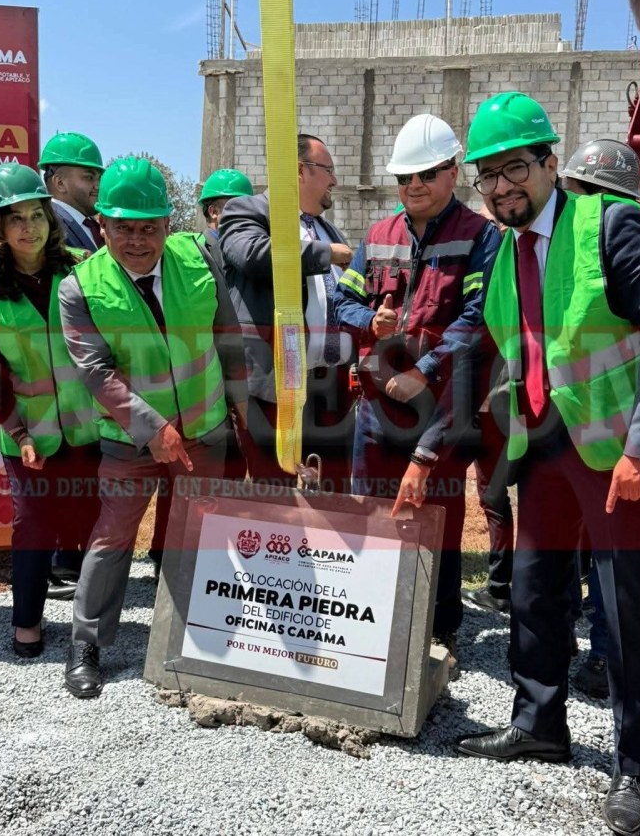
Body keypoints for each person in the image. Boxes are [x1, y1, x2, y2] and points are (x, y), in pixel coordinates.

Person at [455, 92, 640, 836]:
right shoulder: (505, 245)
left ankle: (634, 766)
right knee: (533, 587)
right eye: (485, 175)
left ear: (551, 162)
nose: (499, 187)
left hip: (617, 451)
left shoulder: (611, 223)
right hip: (546, 443)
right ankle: (540, 722)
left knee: (626, 605)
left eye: (514, 167)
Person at [58, 156, 248, 698]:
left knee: (201, 534)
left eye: (149, 227)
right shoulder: (80, 288)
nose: (137, 240)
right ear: (103, 226)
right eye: (124, 228)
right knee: (113, 537)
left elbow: (227, 336)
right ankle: (86, 644)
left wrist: (243, 412)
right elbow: (95, 371)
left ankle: (199, 635)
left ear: (169, 224)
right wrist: (153, 427)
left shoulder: (197, 256)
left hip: (206, 430)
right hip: (129, 442)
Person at [334, 113, 502, 676]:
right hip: (376, 408)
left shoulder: (481, 238)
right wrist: (372, 320)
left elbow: (478, 319)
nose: (414, 187)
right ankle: (373, 618)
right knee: (371, 513)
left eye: (427, 174)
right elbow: (343, 302)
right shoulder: (379, 236)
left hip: (440, 408)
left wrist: (424, 370)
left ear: (454, 172)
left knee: (438, 518)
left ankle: (440, 626)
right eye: (406, 178)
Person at [0, 163, 101, 658]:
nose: (29, 227)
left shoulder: (84, 270)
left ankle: (90, 632)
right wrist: (19, 431)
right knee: (35, 529)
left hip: (89, 431)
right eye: (15, 218)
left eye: (36, 214)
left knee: (92, 528)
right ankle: (27, 623)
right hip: (30, 438)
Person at [559, 136, 640, 699]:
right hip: (589, 418)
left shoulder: (621, 237)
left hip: (609, 421)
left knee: (609, 554)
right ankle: (594, 648)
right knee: (590, 547)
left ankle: (607, 657)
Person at [220, 134, 355, 493]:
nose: (335, 181)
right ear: (299, 171)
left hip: (329, 386)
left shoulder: (327, 229)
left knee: (331, 486)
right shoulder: (246, 211)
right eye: (328, 170)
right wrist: (327, 255)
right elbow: (251, 254)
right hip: (273, 384)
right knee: (275, 489)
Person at [38, 131, 105, 597]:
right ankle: (63, 562)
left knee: (82, 469)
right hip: (63, 371)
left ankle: (71, 556)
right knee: (65, 470)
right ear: (58, 181)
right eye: (88, 175)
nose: (96, 183)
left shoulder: (84, 224)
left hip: (82, 372)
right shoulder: (54, 228)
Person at [39, 132, 105, 252]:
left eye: (99, 178)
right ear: (60, 183)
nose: (98, 186)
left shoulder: (96, 227)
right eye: (89, 177)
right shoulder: (47, 228)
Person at [198, 168, 253, 266]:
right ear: (213, 211)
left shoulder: (250, 248)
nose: (245, 214)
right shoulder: (197, 252)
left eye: (247, 207)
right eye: (236, 207)